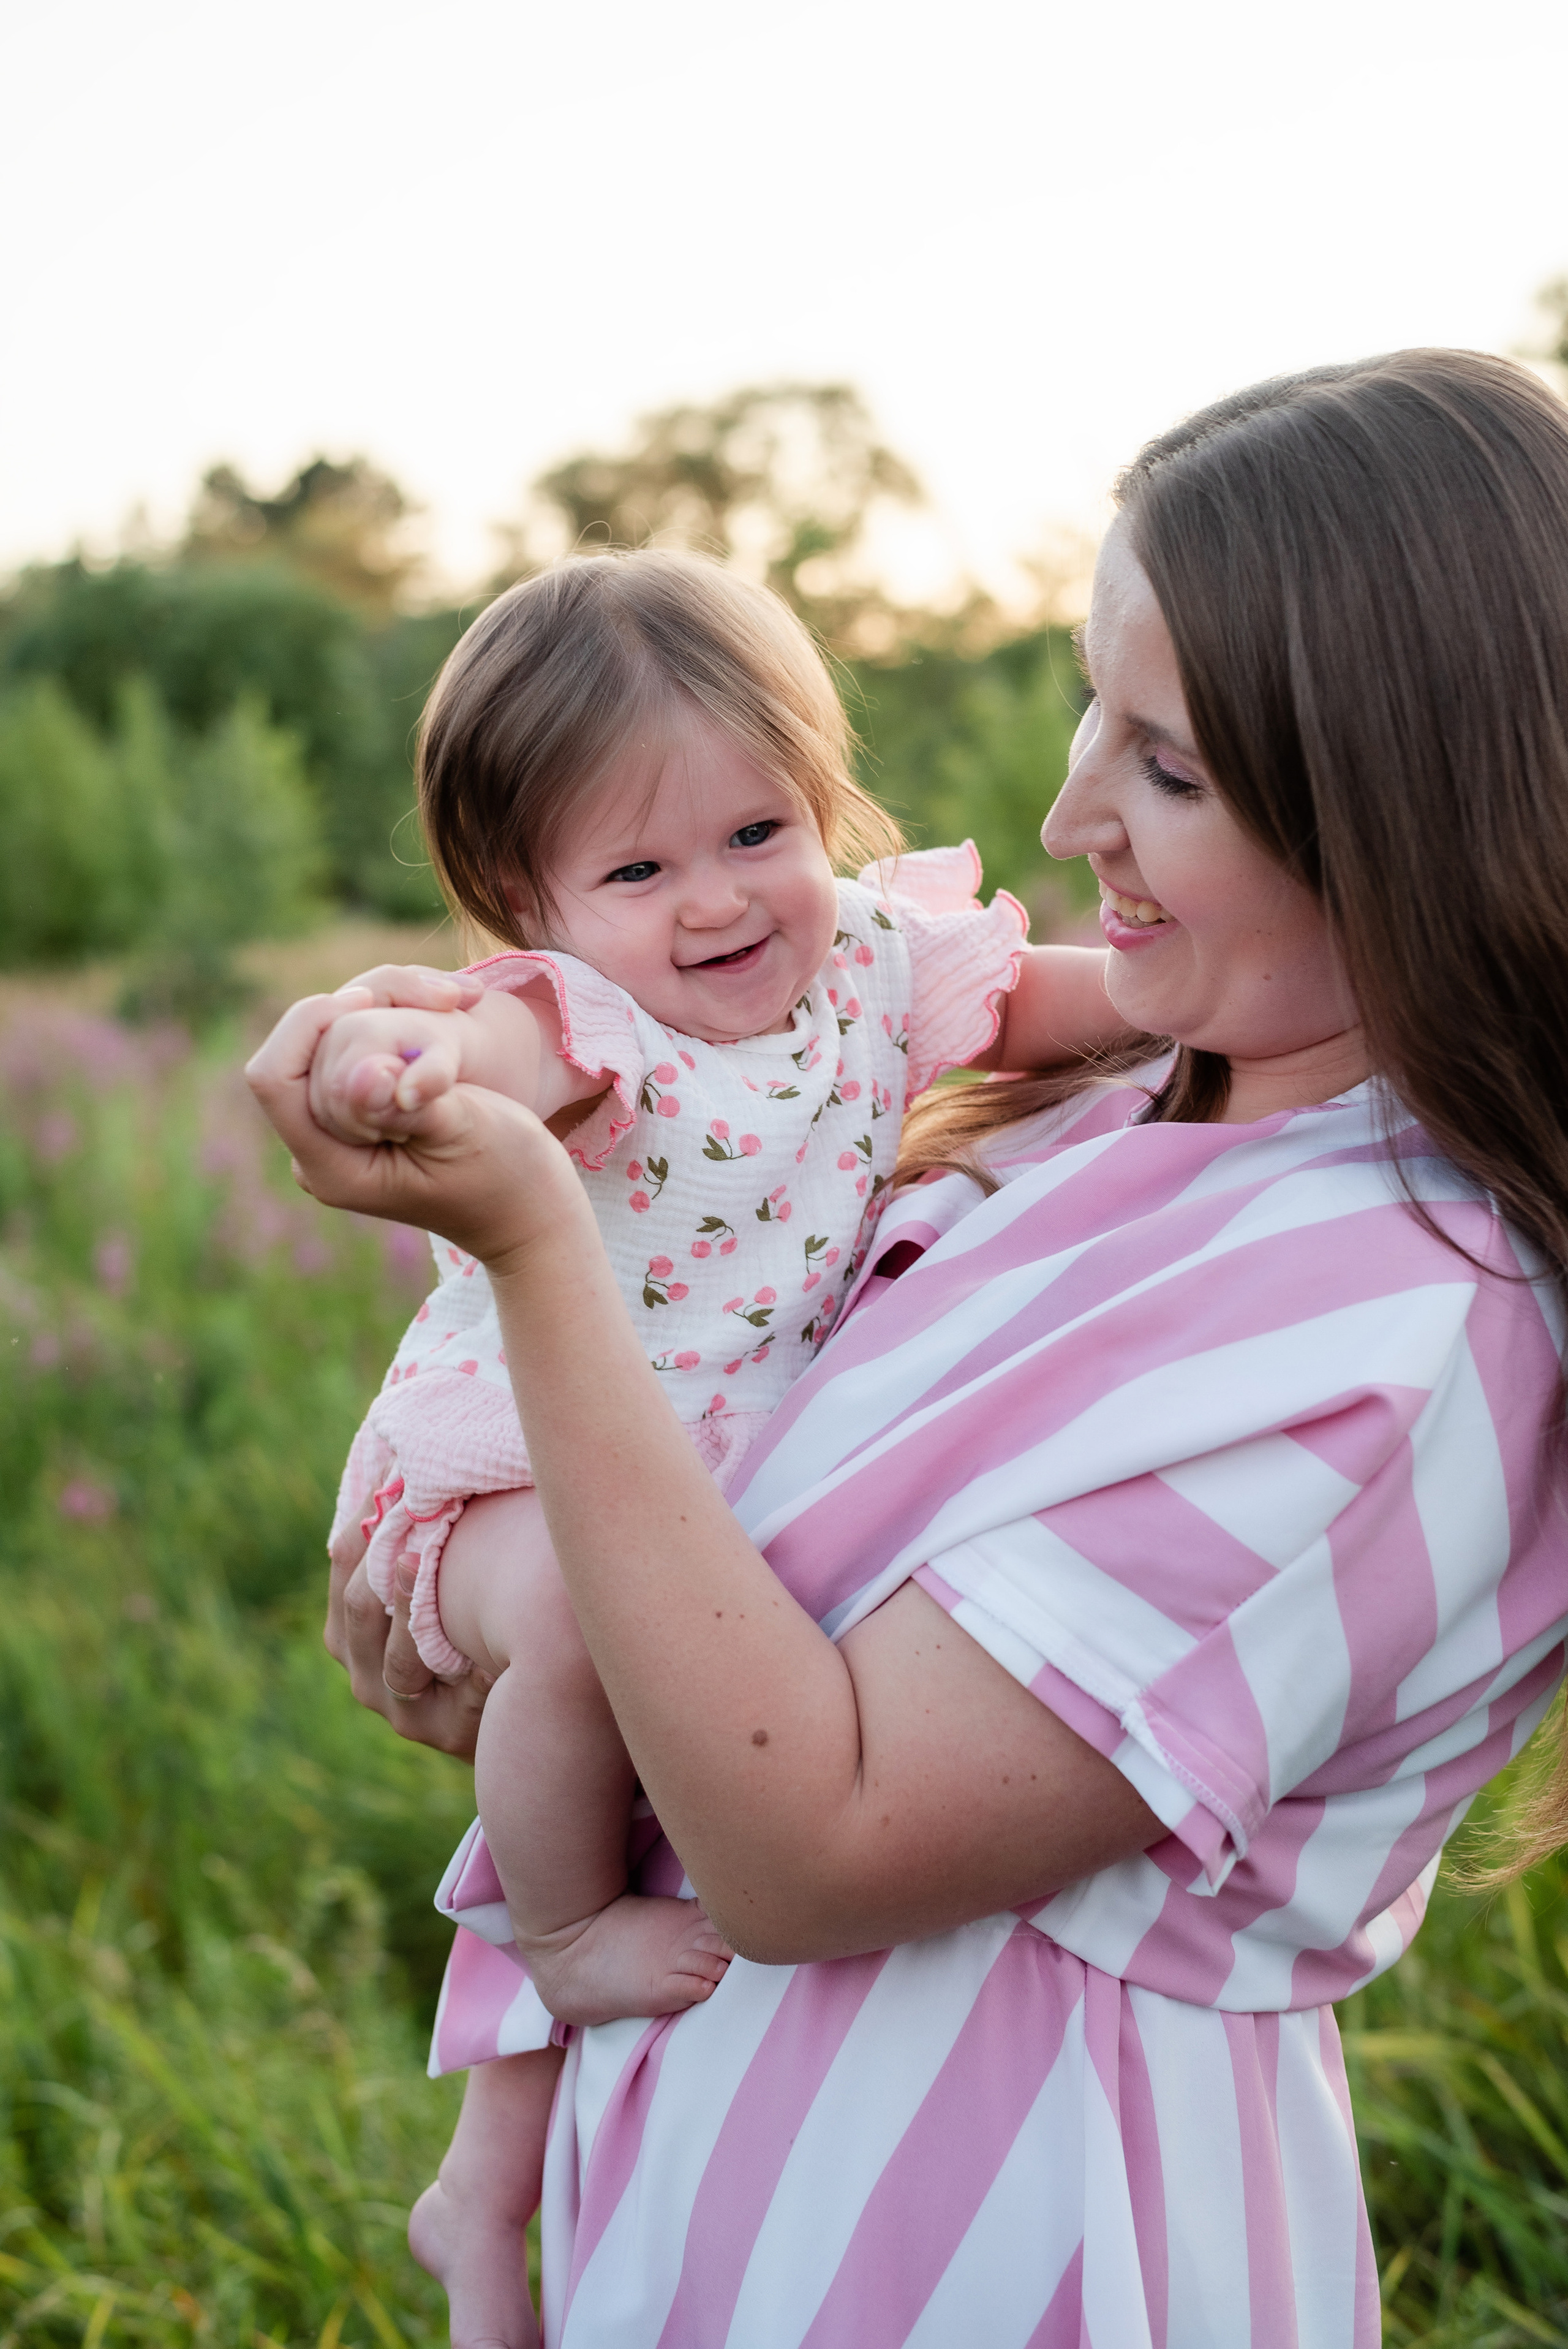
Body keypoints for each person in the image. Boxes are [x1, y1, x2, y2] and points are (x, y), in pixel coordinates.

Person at [250, 351, 1568, 2348]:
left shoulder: (1406, 1329)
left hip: (996, 2238)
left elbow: (807, 1838)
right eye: (1092, 714)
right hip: (731, 2185)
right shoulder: (1168, 1097)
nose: (1064, 814)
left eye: (1173, 770)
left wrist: (527, 1240)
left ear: (1413, 810)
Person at [284, 548, 1127, 2342]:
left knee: (666, 1719)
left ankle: (483, 2188)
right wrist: (387, 1059)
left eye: (759, 834)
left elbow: (1053, 1003)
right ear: (537, 900)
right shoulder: (591, 1030)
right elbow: (475, 1046)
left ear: (821, 802)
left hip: (694, 1485)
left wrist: (1197, 994)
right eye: (639, 869)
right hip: (506, 1469)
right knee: (597, 1644)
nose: (718, 903)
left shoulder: (876, 969)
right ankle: (565, 1932)